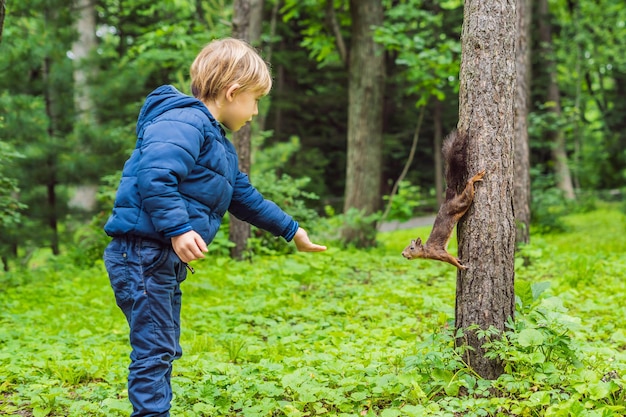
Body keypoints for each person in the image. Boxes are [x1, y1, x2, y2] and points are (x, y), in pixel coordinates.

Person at [103, 37, 327, 417]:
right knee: (154, 348)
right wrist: (178, 228)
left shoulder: (217, 145)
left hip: (157, 259)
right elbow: (155, 175)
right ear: (232, 91)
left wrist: (292, 230)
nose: (255, 111)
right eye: (255, 100)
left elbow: (245, 198)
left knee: (163, 345)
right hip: (141, 254)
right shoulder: (184, 121)